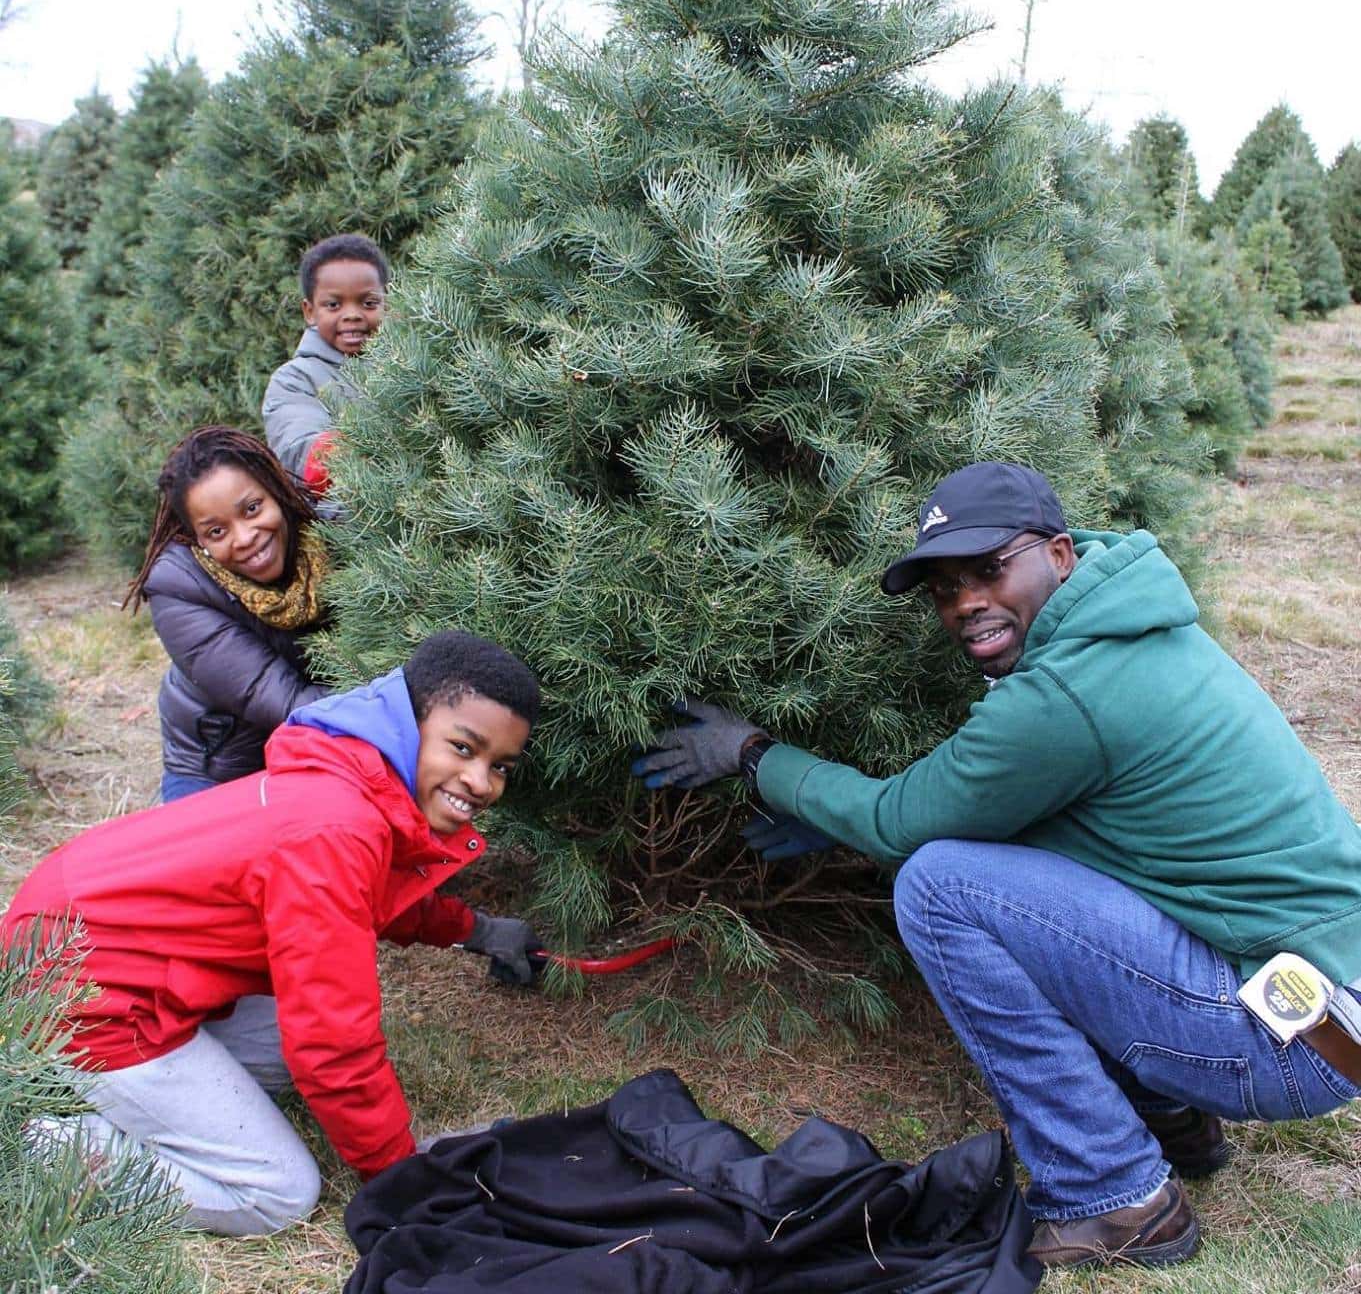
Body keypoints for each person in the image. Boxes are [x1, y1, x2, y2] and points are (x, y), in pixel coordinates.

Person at [634, 460, 1361, 1270]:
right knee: (1007, 877)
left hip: (1288, 1038)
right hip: (1320, 1009)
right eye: (944, 588)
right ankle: (1167, 1117)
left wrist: (753, 753)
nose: (965, 603)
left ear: (1056, 554)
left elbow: (898, 823)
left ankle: (1115, 1195)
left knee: (941, 886)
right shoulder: (1130, 628)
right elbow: (1059, 844)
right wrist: (836, 817)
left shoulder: (1069, 693)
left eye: (988, 570)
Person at [2, 630, 545, 1237]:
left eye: (499, 765)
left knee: (281, 1060)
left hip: (96, 946)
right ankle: (43, 1141)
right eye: (463, 747)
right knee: (276, 1192)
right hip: (82, 991)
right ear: (409, 723)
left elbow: (367, 901)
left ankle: (107, 1085)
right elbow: (334, 1043)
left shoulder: (354, 782)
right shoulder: (334, 828)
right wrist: (401, 1178)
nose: (481, 780)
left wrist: (476, 930)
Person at [126, 425, 330, 802]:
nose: (244, 537)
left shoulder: (328, 536)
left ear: (276, 492)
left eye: (252, 509)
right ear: (196, 540)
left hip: (319, 750)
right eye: (217, 531)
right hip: (222, 769)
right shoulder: (178, 587)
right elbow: (282, 702)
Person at [262, 232, 389, 496]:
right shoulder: (294, 380)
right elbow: (297, 452)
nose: (352, 315)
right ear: (309, 311)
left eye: (368, 303)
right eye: (333, 305)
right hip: (348, 525)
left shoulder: (410, 366)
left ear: (387, 303)